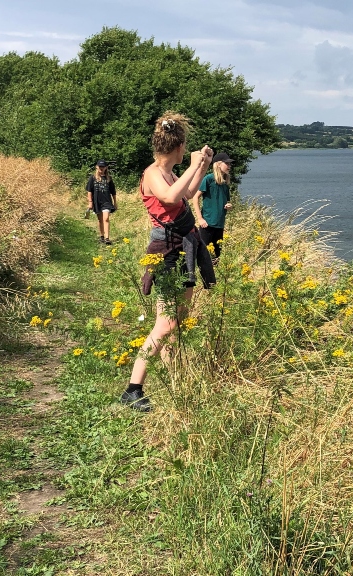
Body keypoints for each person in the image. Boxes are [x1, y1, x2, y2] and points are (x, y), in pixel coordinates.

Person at [120, 112, 216, 411]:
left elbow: (185, 192)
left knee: (179, 318)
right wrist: (193, 165)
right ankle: (133, 389)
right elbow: (172, 198)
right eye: (186, 148)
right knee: (165, 324)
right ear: (178, 146)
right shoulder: (152, 173)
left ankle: (177, 378)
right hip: (166, 252)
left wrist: (201, 168)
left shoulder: (170, 173)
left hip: (183, 247)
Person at [192, 152, 233, 262]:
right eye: (227, 164)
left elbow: (226, 202)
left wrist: (228, 206)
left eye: (230, 164)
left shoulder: (225, 184)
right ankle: (201, 277)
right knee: (203, 254)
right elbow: (195, 198)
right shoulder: (209, 179)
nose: (229, 166)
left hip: (219, 224)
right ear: (218, 164)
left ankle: (213, 278)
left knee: (216, 256)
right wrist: (200, 219)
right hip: (207, 224)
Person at [86, 160, 117, 245]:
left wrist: (115, 203)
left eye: (103, 166)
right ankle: (102, 236)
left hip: (107, 202)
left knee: (106, 218)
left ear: (106, 167)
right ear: (97, 167)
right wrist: (90, 202)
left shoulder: (109, 178)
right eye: (100, 166)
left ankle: (107, 238)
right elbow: (89, 191)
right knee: (100, 220)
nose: (101, 168)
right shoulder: (92, 178)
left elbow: (113, 192)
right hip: (97, 202)